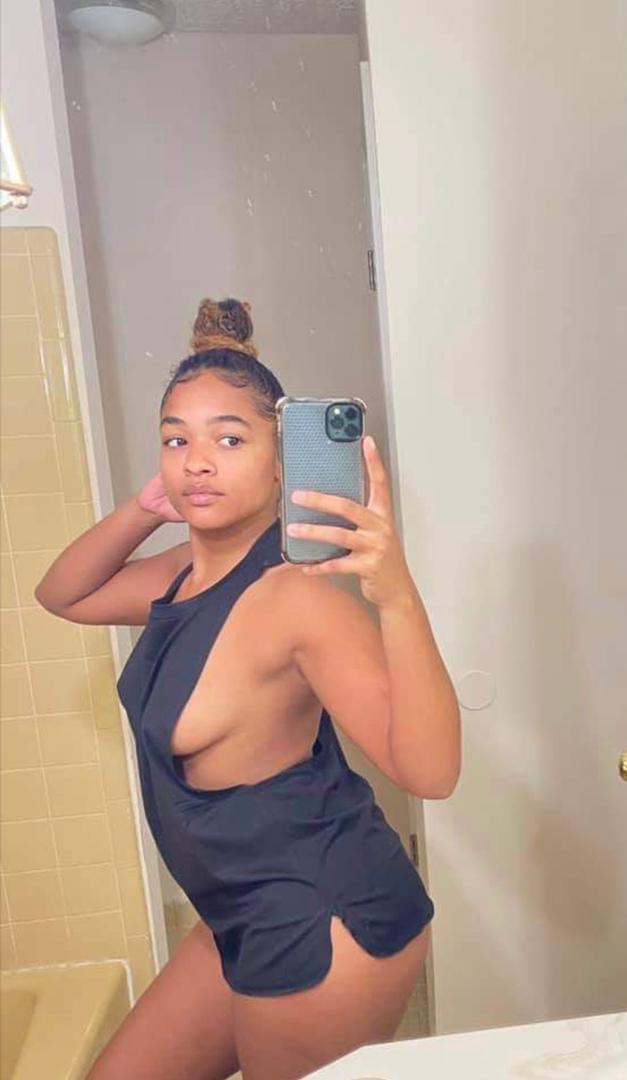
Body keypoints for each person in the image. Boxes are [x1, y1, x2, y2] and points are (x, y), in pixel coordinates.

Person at [34, 298, 461, 1080]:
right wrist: (146, 510)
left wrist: (397, 595)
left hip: (320, 916)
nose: (197, 461)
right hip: (235, 910)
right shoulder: (183, 572)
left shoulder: (293, 597)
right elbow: (63, 594)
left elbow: (430, 772)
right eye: (177, 439)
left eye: (229, 439)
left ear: (281, 462)